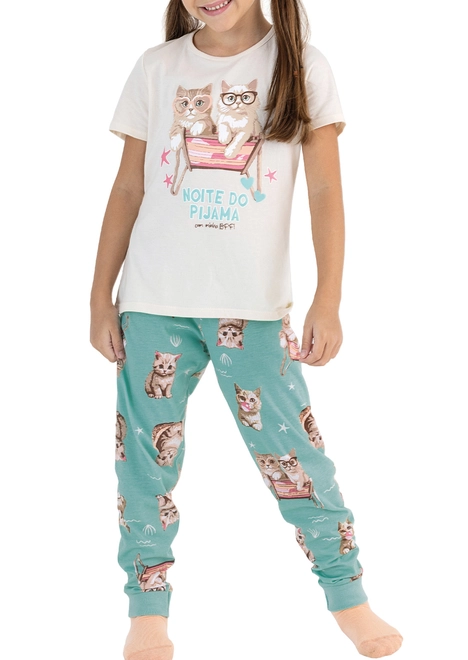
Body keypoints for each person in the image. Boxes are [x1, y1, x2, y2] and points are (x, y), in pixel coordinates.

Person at [90, 1, 404, 658]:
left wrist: (328, 298)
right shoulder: (156, 68)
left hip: (253, 309)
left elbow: (325, 191)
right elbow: (127, 189)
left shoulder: (302, 67)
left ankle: (348, 595)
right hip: (152, 301)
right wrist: (100, 296)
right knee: (143, 465)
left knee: (294, 456)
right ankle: (147, 608)